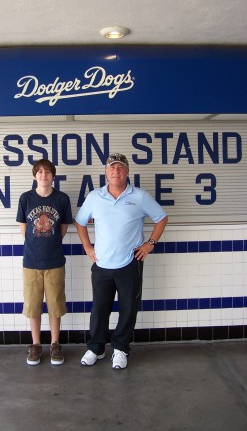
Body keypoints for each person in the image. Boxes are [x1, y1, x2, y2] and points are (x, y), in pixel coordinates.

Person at [75, 153, 168, 370]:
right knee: (100, 308)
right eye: (111, 167)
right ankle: (96, 348)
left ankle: (120, 348)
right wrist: (88, 246)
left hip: (130, 263)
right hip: (102, 265)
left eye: (120, 167)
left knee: (128, 308)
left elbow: (161, 218)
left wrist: (150, 244)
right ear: (106, 172)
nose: (115, 171)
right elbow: (80, 222)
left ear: (127, 172)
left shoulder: (140, 196)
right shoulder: (94, 197)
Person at [16, 159, 73, 366]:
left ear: (53, 176)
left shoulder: (62, 199)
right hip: (31, 262)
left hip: (55, 261)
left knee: (55, 305)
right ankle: (36, 344)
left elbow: (64, 227)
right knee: (33, 305)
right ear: (34, 176)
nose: (43, 175)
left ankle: (55, 344)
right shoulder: (26, 198)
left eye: (47, 172)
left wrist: (51, 243)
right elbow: (23, 229)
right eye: (39, 172)